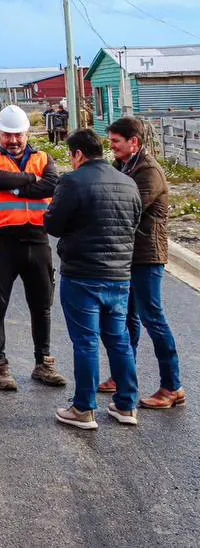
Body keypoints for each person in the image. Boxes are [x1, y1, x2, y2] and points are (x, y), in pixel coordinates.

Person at [45, 129, 142, 429]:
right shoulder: (128, 182)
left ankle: (83, 409)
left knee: (86, 341)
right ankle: (127, 405)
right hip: (120, 275)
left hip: (83, 275)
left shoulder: (72, 181)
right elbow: (135, 221)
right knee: (119, 339)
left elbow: (54, 224)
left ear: (77, 154)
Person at [0, 104, 67, 391]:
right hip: (2, 242)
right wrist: (29, 180)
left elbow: (52, 185)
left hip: (38, 240)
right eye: (7, 135)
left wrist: (14, 186)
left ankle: (43, 362)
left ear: (27, 133)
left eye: (18, 135)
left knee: (42, 306)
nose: (13, 141)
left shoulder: (44, 158)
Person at [102, 117, 184, 408]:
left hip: (147, 255)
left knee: (153, 318)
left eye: (115, 141)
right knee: (126, 318)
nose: (110, 146)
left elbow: (128, 208)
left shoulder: (149, 172)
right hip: (126, 255)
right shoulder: (122, 166)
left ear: (133, 142)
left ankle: (172, 386)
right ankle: (123, 377)